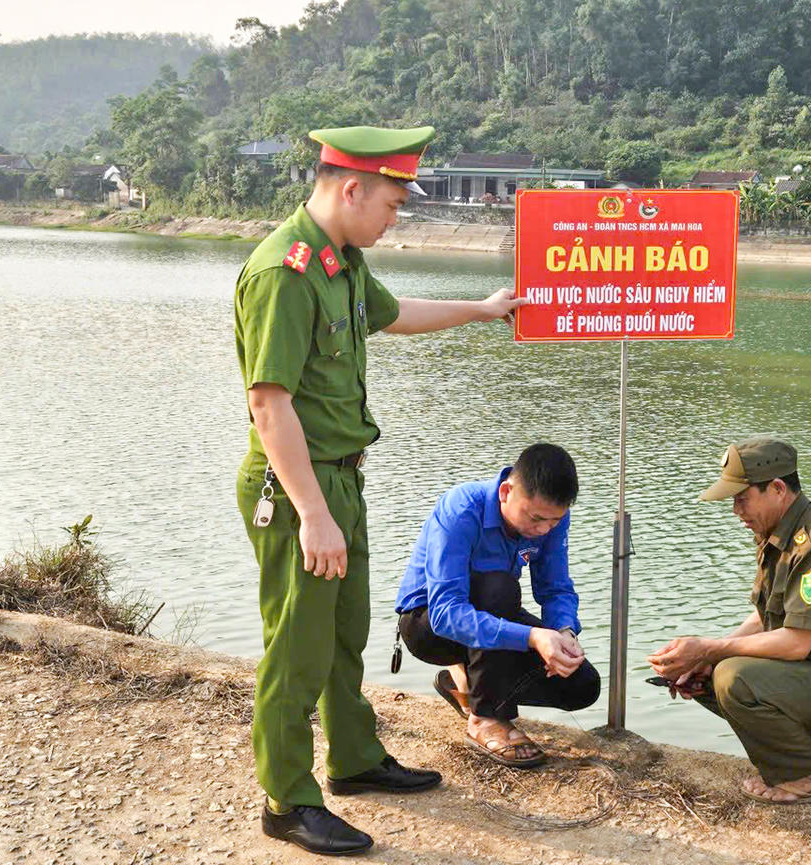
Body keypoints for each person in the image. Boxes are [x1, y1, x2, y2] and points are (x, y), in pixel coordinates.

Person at [234, 124, 526, 856]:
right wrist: (311, 514)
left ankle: (355, 760)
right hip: (299, 488)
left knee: (343, 637)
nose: (396, 218)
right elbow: (269, 404)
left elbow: (397, 316)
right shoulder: (286, 271)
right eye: (393, 203)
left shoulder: (344, 263)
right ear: (351, 188)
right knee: (296, 648)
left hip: (341, 482)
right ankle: (287, 799)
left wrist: (484, 309)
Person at [647, 436, 811, 805]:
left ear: (777, 488)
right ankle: (809, 751)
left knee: (733, 678)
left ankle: (810, 770)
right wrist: (703, 658)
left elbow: (795, 642)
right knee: (708, 675)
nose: (736, 510)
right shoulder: (776, 530)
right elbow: (765, 617)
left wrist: (712, 649)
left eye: (742, 498)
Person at [394, 443, 601, 767]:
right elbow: (446, 613)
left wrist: (563, 631)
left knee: (581, 686)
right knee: (499, 588)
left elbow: (556, 587)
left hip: (493, 613)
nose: (543, 529)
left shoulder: (551, 519)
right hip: (429, 624)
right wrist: (533, 637)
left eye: (553, 521)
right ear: (506, 491)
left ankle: (466, 683)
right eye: (536, 519)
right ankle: (484, 718)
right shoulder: (461, 509)